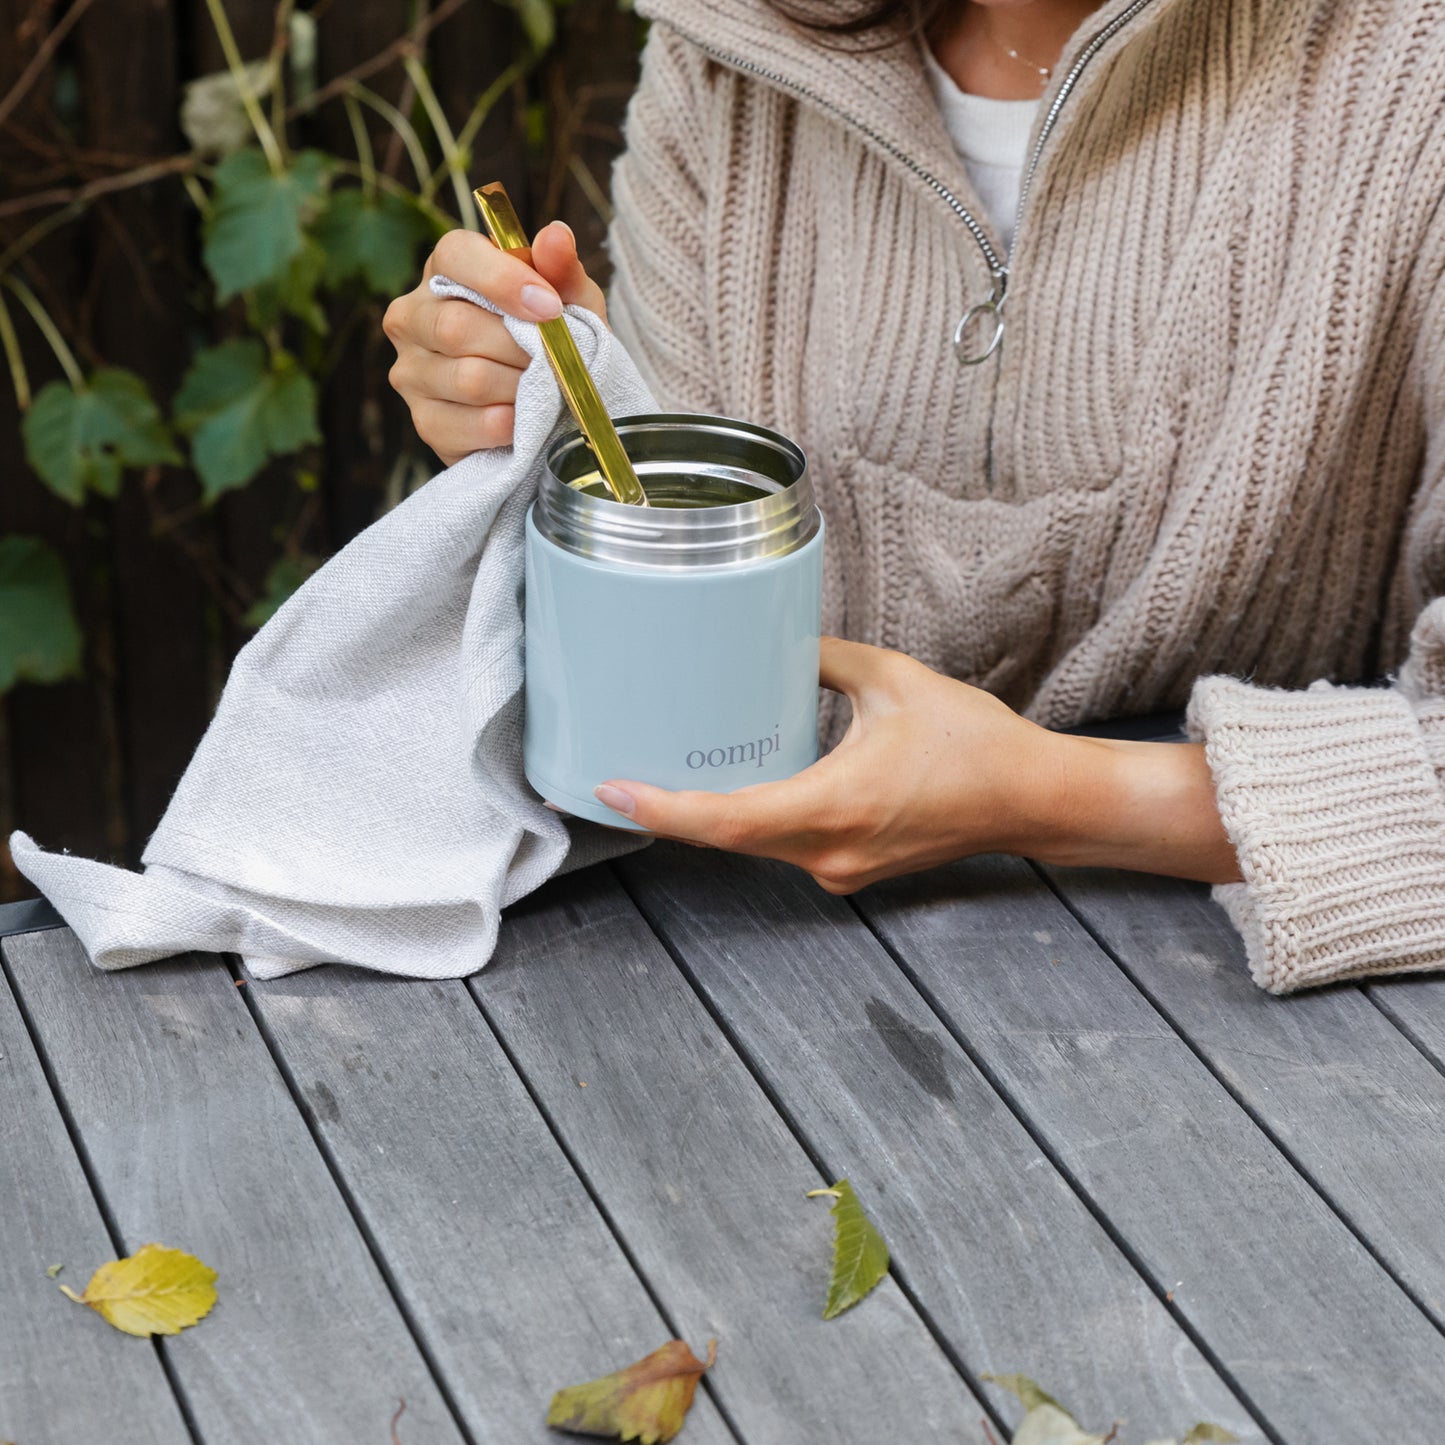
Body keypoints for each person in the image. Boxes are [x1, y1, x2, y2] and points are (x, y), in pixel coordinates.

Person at [382, 0, 1445, 994]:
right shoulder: (730, 50)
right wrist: (545, 432)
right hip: (714, 978)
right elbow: (663, 689)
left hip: (1267, 1056)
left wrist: (1054, 797)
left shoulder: (1410, 71)